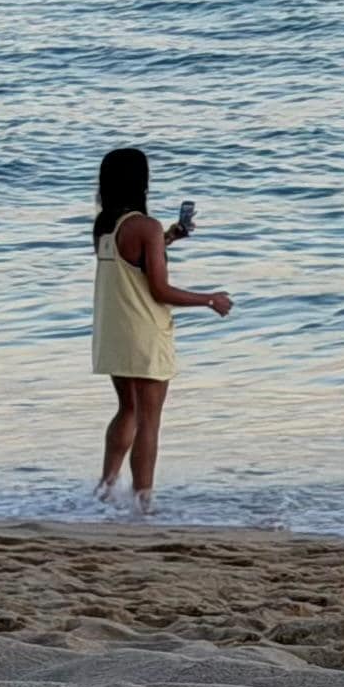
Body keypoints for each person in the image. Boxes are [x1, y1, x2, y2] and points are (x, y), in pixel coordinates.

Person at [90, 147, 231, 513]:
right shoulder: (145, 226)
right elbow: (159, 290)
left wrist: (169, 237)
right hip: (145, 330)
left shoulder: (104, 225)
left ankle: (106, 489)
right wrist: (209, 299)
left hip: (114, 332)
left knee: (127, 409)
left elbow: (131, 261)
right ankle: (143, 502)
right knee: (149, 420)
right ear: (141, 182)